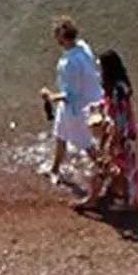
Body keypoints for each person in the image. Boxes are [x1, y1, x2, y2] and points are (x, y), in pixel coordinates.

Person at [39, 16, 101, 187]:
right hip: (92, 100)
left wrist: (49, 96)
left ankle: (109, 171)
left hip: (77, 109)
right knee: (60, 135)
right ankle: (55, 169)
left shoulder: (68, 63)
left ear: (62, 37)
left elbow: (71, 95)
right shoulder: (83, 47)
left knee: (87, 144)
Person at [85, 47, 138, 213]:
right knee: (123, 165)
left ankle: (94, 199)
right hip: (124, 131)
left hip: (120, 132)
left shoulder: (116, 89)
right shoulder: (120, 85)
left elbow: (119, 115)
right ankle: (125, 197)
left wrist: (114, 136)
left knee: (107, 163)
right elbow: (116, 106)